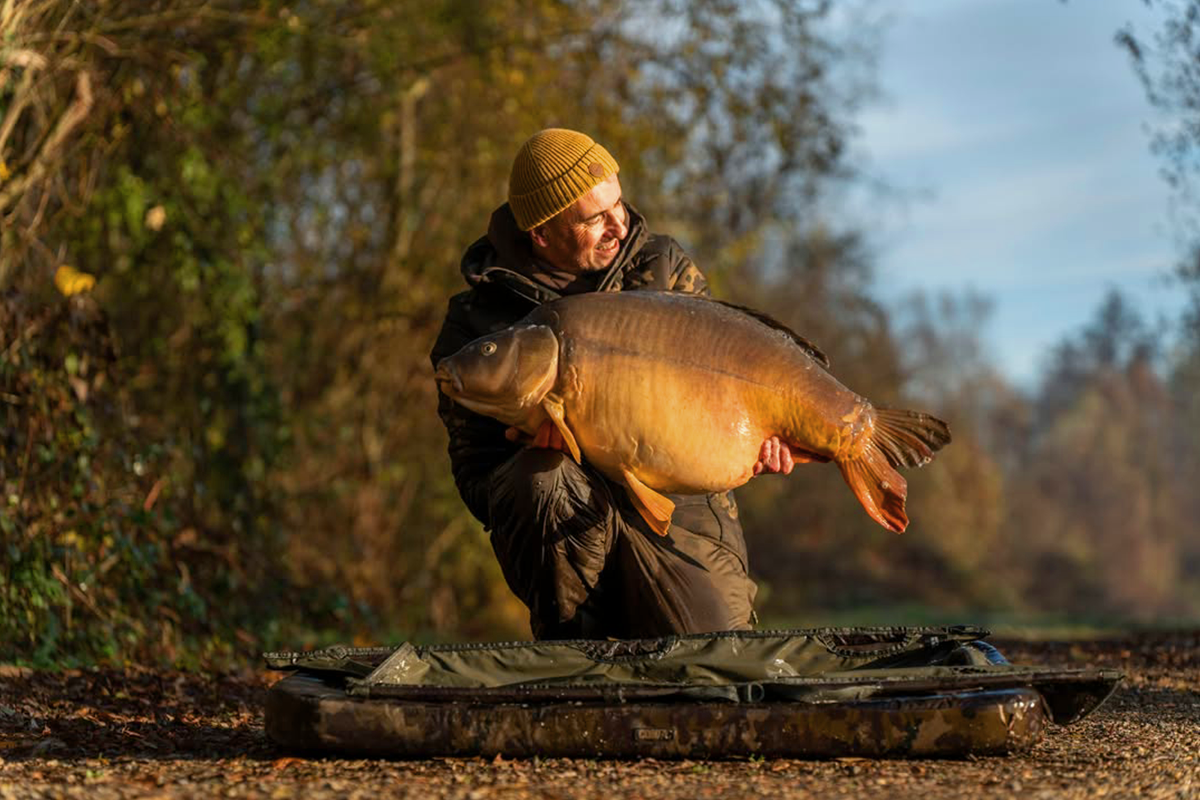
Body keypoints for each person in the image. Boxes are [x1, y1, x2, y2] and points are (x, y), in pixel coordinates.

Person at [430, 128, 793, 640]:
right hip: (563, 519)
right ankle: (574, 642)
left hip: (679, 512)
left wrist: (759, 438)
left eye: (618, 204)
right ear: (542, 234)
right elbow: (474, 475)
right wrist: (529, 451)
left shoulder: (663, 270)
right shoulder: (476, 323)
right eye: (594, 217)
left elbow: (732, 382)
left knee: (711, 659)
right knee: (541, 476)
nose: (619, 225)